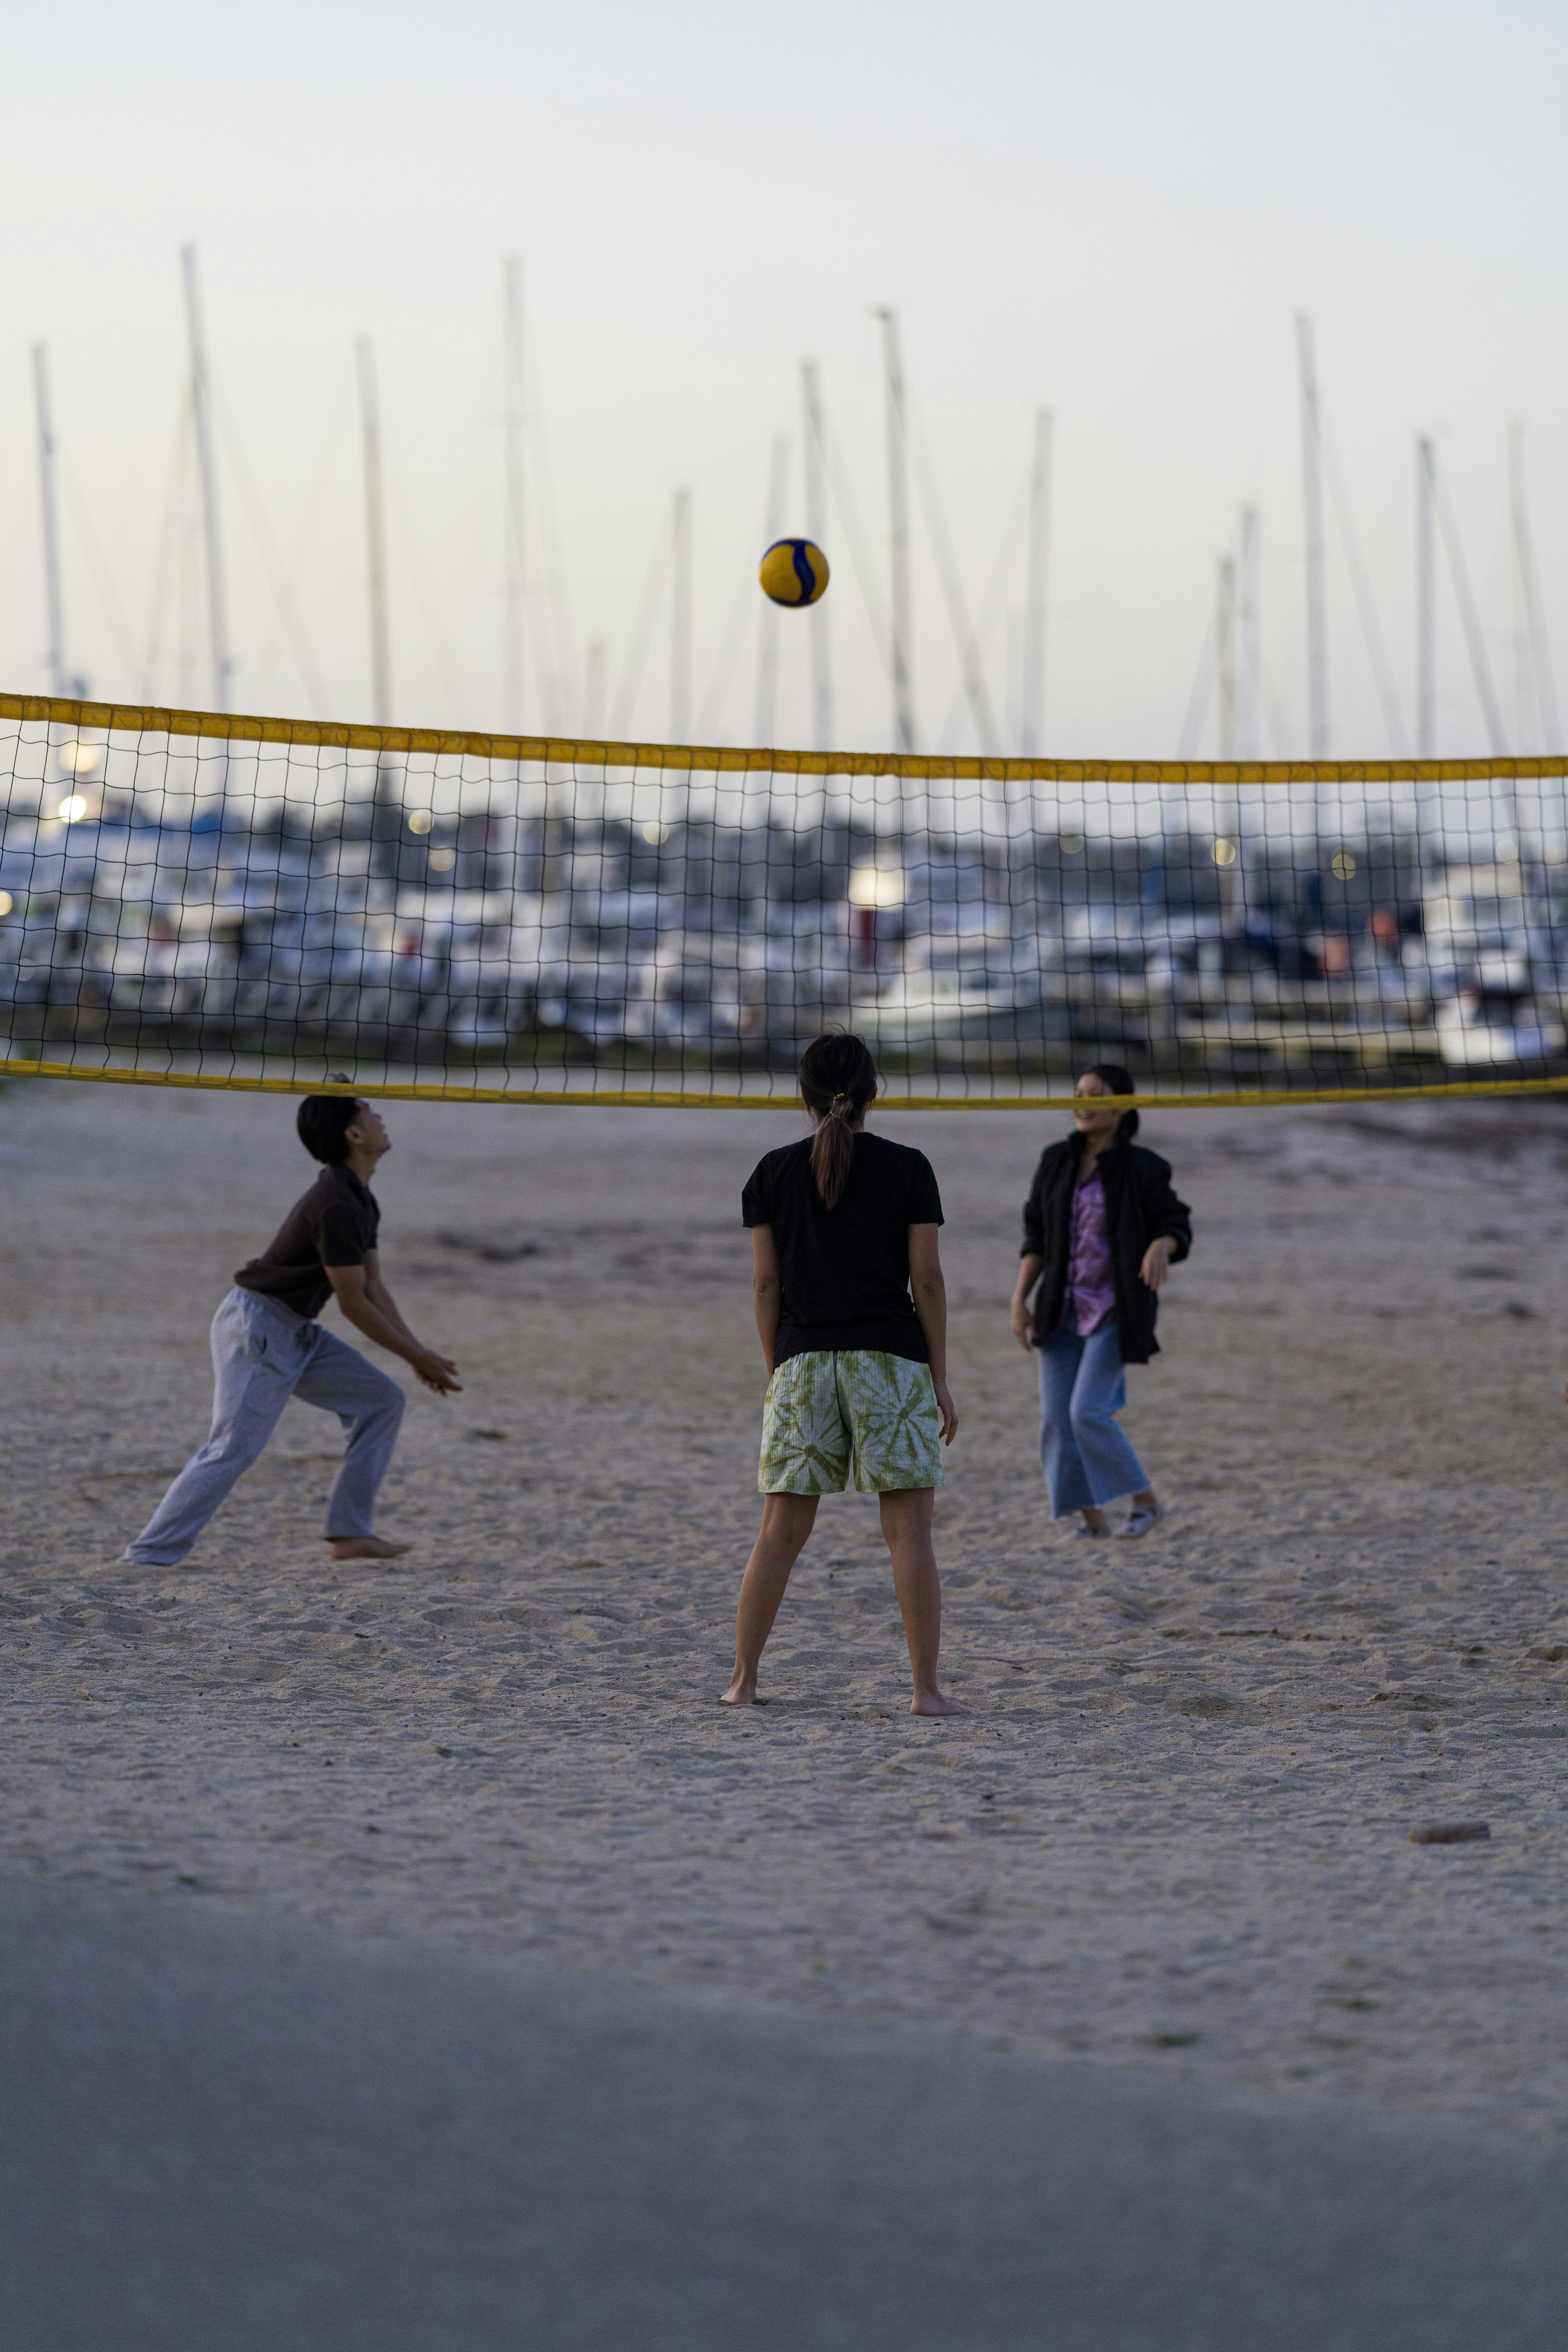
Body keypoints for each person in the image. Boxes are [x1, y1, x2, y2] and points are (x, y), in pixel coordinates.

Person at [724, 1032, 959, 1716]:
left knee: (780, 1533)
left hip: (803, 1361)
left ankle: (743, 1682)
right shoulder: (910, 1167)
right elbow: (929, 1281)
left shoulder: (771, 1172)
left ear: (802, 1096)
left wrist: (780, 1372)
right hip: (890, 1359)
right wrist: (940, 1377)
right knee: (910, 1534)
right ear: (873, 1095)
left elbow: (766, 1288)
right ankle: (925, 1692)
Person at [121, 1095, 460, 1568]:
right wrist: (415, 1358)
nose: (380, 1116)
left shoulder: (360, 1197)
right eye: (368, 1111)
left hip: (295, 1329)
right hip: (258, 1327)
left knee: (382, 1401)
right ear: (354, 1135)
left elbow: (375, 1286)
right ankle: (147, 1556)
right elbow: (353, 1305)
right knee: (232, 1450)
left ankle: (349, 1532)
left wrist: (420, 1352)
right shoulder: (337, 1203)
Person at [1009, 1064, 1191, 1540]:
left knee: (1086, 1413)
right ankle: (1093, 1522)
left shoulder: (1144, 1167)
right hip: (1060, 1309)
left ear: (1123, 1105)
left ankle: (1146, 1503)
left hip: (1116, 1309)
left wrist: (1160, 1244)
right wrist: (1019, 1299)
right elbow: (1037, 1238)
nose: (1083, 1102)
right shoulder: (1055, 1161)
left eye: (1096, 1094)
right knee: (1055, 1421)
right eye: (1078, 1093)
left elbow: (1177, 1224)